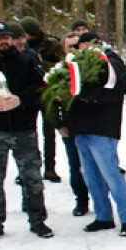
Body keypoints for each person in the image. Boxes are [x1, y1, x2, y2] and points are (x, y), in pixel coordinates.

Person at [0, 20, 54, 241]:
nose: (4, 41)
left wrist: (20, 100)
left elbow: (41, 89)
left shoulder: (26, 61)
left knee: (32, 177)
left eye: (7, 37)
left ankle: (38, 220)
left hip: (24, 128)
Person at [62, 33, 126, 236]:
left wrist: (84, 95)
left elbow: (114, 90)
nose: (81, 48)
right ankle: (103, 215)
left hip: (103, 127)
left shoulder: (111, 62)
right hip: (81, 127)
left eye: (84, 44)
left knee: (110, 173)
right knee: (91, 175)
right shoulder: (74, 63)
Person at [20, 16, 64, 182]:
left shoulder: (52, 44)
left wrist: (41, 63)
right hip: (29, 94)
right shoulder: (19, 46)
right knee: (28, 133)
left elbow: (61, 66)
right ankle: (28, 168)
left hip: (48, 93)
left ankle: (50, 168)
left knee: (49, 132)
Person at [55, 31, 90, 216]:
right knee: (76, 165)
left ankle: (103, 200)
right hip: (71, 125)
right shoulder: (60, 70)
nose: (74, 49)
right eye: (70, 46)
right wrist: (59, 123)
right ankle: (81, 200)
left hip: (94, 125)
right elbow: (51, 101)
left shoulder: (93, 67)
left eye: (77, 45)